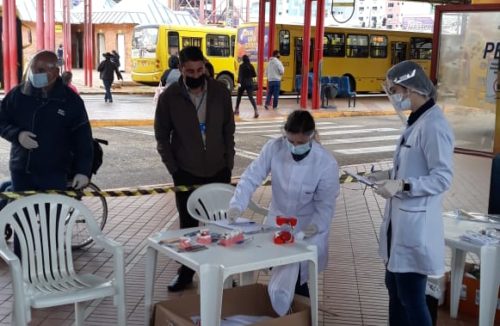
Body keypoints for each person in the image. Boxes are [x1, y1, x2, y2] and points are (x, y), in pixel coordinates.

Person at [366, 60, 454, 326]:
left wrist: (403, 186)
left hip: (416, 229)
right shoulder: (416, 121)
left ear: (410, 89)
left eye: (394, 90)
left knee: (411, 298)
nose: (394, 96)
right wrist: (389, 176)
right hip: (400, 225)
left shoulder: (434, 125)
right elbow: (413, 165)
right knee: (394, 288)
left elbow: (442, 178)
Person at [227, 110, 339, 299]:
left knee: (296, 277)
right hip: (277, 223)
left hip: (307, 228)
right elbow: (251, 177)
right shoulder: (274, 148)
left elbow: (325, 204)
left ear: (311, 136)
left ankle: (299, 314)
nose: (295, 147)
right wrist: (237, 204)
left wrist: (316, 226)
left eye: (301, 143)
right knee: (279, 274)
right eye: (291, 141)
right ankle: (289, 313)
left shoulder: (325, 163)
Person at [154, 46, 235, 292]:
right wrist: (174, 170)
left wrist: (228, 164)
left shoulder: (220, 92)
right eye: (190, 71)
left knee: (219, 225)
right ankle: (186, 272)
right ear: (181, 70)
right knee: (189, 227)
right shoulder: (170, 97)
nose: (196, 74)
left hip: (218, 169)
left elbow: (228, 131)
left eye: (200, 69)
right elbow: (161, 136)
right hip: (186, 172)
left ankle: (222, 270)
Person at [0, 50, 94, 256]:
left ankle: (49, 271)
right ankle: (23, 274)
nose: (35, 74)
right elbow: (1, 120)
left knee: (53, 225)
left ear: (54, 72)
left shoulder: (70, 101)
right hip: (22, 171)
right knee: (23, 225)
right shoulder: (19, 94)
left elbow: (83, 139)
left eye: (40, 70)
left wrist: (83, 171)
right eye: (33, 69)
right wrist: (17, 135)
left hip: (54, 172)